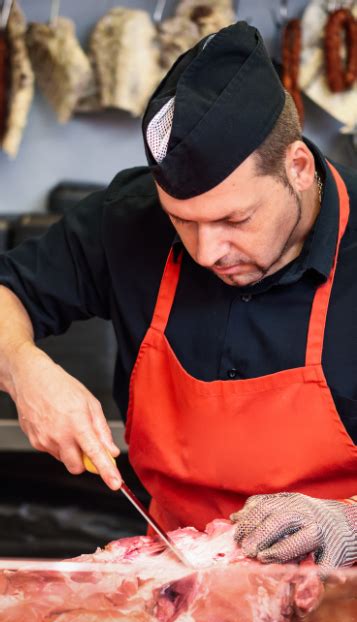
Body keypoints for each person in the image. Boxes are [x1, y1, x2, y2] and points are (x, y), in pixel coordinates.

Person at [0, 22, 356, 569]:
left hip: (338, 597)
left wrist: (348, 521)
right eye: (181, 222)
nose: (208, 251)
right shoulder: (129, 220)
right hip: (180, 592)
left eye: (234, 219)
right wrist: (23, 369)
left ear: (299, 168)